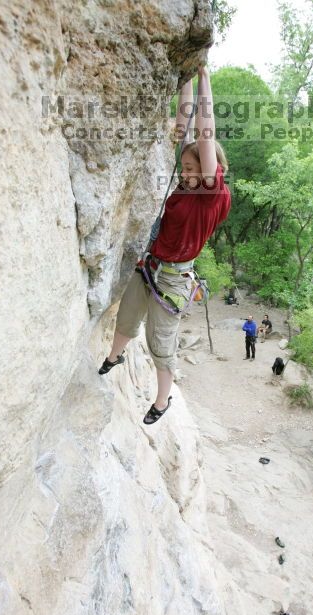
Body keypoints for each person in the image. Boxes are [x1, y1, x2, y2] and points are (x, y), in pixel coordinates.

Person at [98, 66, 231, 424]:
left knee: (161, 343)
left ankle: (161, 401)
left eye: (192, 168)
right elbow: (185, 127)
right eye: (184, 167)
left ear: (211, 167)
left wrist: (204, 78)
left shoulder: (212, 194)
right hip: (152, 265)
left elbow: (204, 133)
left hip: (173, 279)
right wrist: (186, 78)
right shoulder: (187, 188)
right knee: (126, 319)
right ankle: (114, 356)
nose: (186, 173)